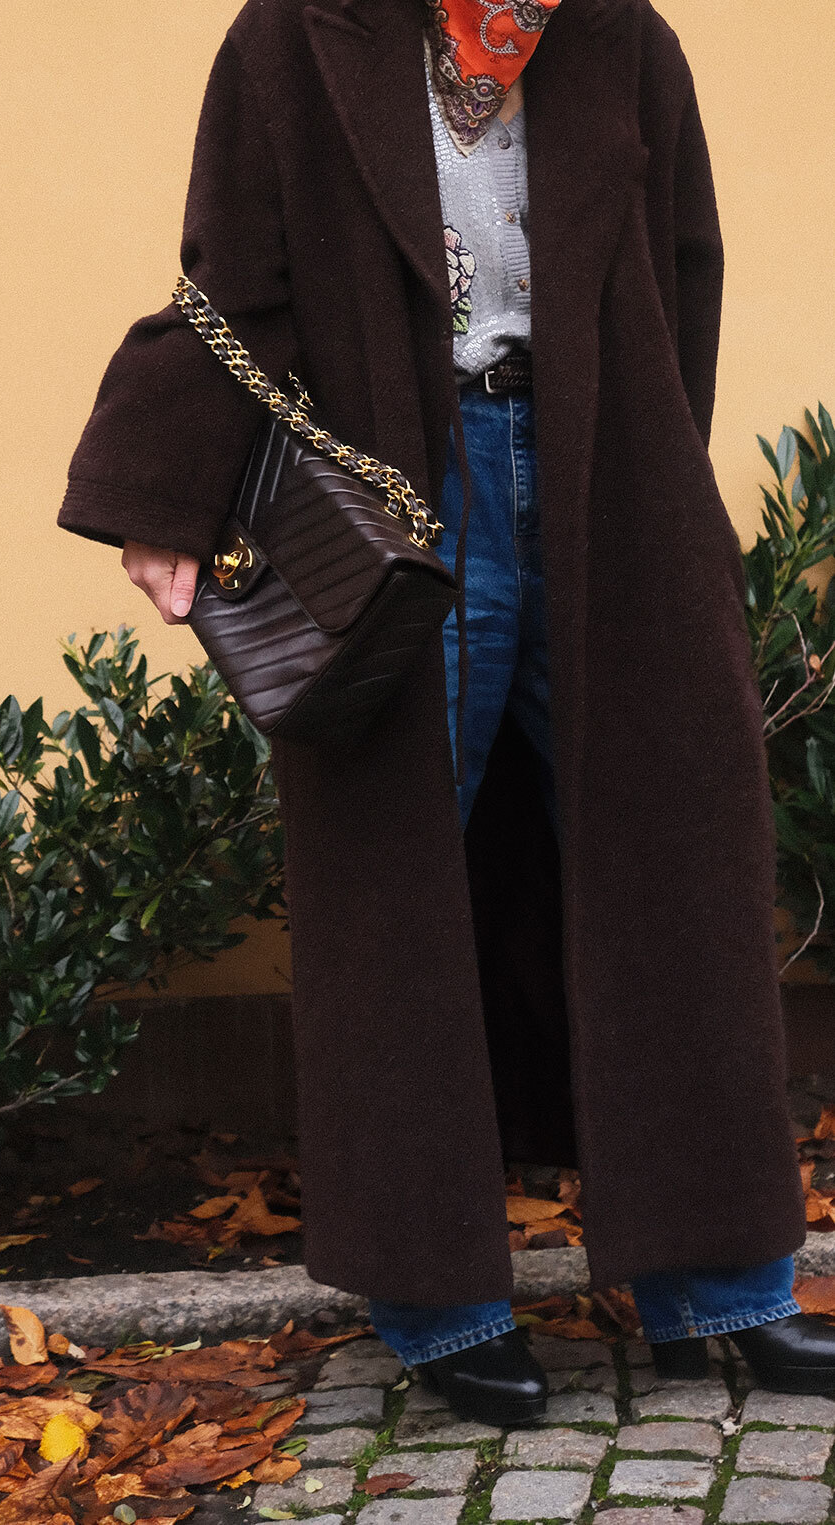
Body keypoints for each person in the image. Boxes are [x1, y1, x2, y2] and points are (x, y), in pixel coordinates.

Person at [58, 0, 835, 1426]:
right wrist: (165, 492)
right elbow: (234, 289)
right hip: (402, 487)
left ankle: (718, 1288)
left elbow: (685, 275)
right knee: (399, 875)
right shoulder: (295, 42)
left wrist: (650, 475)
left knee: (675, 851)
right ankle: (438, 1300)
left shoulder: (624, 41)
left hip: (605, 469)